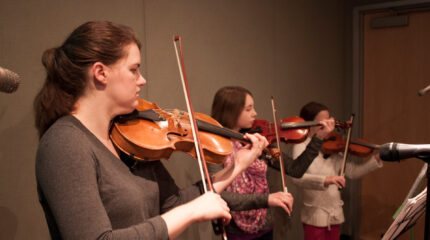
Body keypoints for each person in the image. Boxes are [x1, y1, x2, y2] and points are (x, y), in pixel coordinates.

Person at [33, 21, 269, 240]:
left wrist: (237, 166)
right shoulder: (64, 143)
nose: (142, 80)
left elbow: (173, 203)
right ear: (100, 73)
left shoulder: (128, 138)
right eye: (134, 69)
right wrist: (190, 212)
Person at [208, 86, 335, 240]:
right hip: (236, 232)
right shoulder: (214, 147)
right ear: (231, 111)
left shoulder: (258, 140)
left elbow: (296, 169)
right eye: (249, 109)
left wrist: (318, 138)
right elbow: (220, 195)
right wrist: (267, 199)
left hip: (265, 227)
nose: (255, 113)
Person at [291, 101, 383, 240]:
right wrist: (326, 180)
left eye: (330, 119)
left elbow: (352, 172)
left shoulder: (332, 144)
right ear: (309, 123)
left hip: (335, 212)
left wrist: (374, 160)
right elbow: (297, 178)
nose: (330, 124)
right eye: (324, 120)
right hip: (314, 213)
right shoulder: (301, 146)